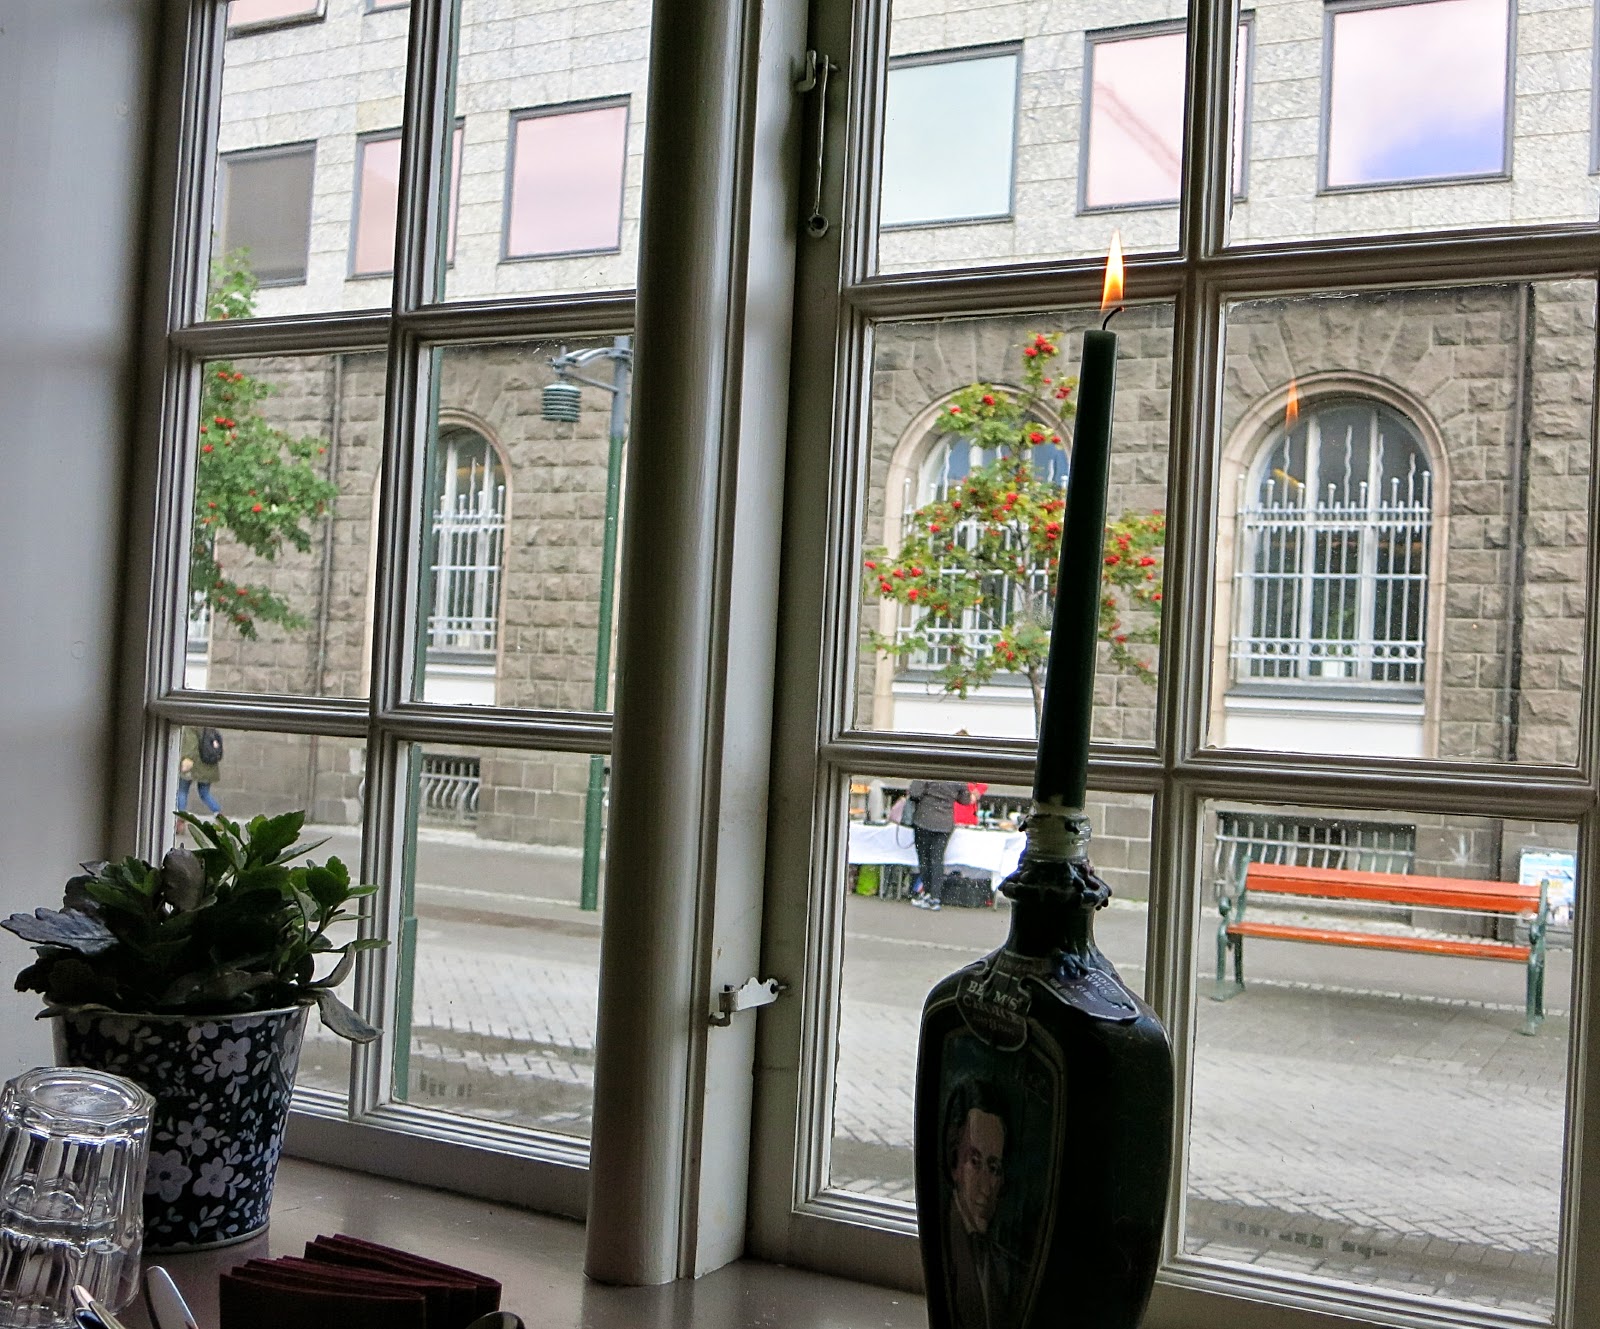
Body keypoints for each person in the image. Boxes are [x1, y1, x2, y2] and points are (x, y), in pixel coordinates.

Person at [942, 1080, 1021, 1329]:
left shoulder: (1001, 1265)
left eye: (994, 1168)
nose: (986, 1186)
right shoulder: (944, 1240)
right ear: (955, 1164)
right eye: (974, 1162)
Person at [908, 780, 976, 911]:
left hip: (924, 819)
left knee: (924, 858)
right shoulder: (957, 777)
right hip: (945, 822)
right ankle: (935, 897)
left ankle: (927, 892)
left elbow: (915, 793)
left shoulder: (927, 772)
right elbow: (965, 800)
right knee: (937, 859)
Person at [177, 727, 223, 818]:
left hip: (192, 766)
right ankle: (218, 814)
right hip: (209, 767)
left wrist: (185, 760)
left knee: (182, 791)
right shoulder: (210, 727)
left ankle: (181, 818)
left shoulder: (191, 727)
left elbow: (191, 747)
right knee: (205, 793)